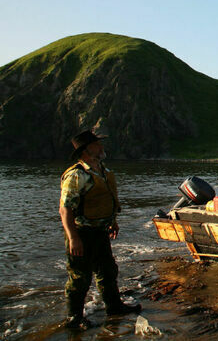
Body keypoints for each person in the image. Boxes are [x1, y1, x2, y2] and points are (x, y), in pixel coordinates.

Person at [59, 130, 141, 330]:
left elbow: (105, 200)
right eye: (97, 144)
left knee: (108, 270)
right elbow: (65, 209)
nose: (101, 147)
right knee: (80, 276)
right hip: (82, 233)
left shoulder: (101, 171)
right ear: (87, 150)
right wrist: (73, 238)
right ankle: (74, 318)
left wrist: (113, 221)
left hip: (100, 231)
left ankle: (114, 307)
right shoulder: (76, 175)